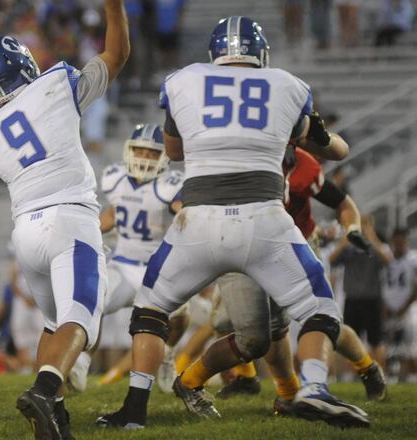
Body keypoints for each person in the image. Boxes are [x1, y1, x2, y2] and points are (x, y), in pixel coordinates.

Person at [97, 16, 369, 431]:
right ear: (261, 54)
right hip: (265, 220)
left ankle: (134, 410)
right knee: (321, 310)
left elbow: (174, 152)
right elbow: (335, 151)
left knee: (151, 309)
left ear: (214, 55)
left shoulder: (183, 80)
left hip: (199, 222)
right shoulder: (289, 86)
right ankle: (313, 387)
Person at [0, 2, 129, 438]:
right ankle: (46, 390)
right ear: (23, 62)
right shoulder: (57, 86)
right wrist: (113, 8)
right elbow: (116, 55)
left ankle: (54, 422)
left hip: (25, 234)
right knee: (83, 317)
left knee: (53, 328)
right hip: (70, 219)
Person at [206, 145, 387, 408]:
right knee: (224, 319)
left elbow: (342, 202)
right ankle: (248, 379)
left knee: (320, 321)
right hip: (252, 246)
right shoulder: (242, 156)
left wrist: (353, 228)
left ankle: (368, 368)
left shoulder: (303, 166)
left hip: (297, 247)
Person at [93, 123, 186, 393]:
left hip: (157, 270)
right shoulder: (116, 179)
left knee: (181, 318)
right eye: (139, 151)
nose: (144, 158)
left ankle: (167, 354)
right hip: (122, 265)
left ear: (164, 157)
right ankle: (81, 360)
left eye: (151, 153)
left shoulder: (170, 185)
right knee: (93, 301)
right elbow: (110, 216)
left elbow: (183, 210)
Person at [330, 216, 393, 368]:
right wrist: (345, 239)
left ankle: (380, 376)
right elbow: (332, 260)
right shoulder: (349, 248)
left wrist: (372, 237)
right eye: (360, 224)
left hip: (372, 299)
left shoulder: (378, 246)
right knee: (351, 342)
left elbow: (388, 261)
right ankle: (356, 377)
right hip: (352, 299)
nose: (363, 228)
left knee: (376, 342)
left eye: (366, 224)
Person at [383, 228, 417, 380]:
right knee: (388, 345)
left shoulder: (413, 260)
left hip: (409, 309)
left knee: (409, 345)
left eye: (401, 242)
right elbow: (379, 284)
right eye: (396, 242)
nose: (398, 245)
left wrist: (406, 306)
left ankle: (408, 376)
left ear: (407, 242)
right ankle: (391, 376)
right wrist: (384, 306)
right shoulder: (385, 259)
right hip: (388, 309)